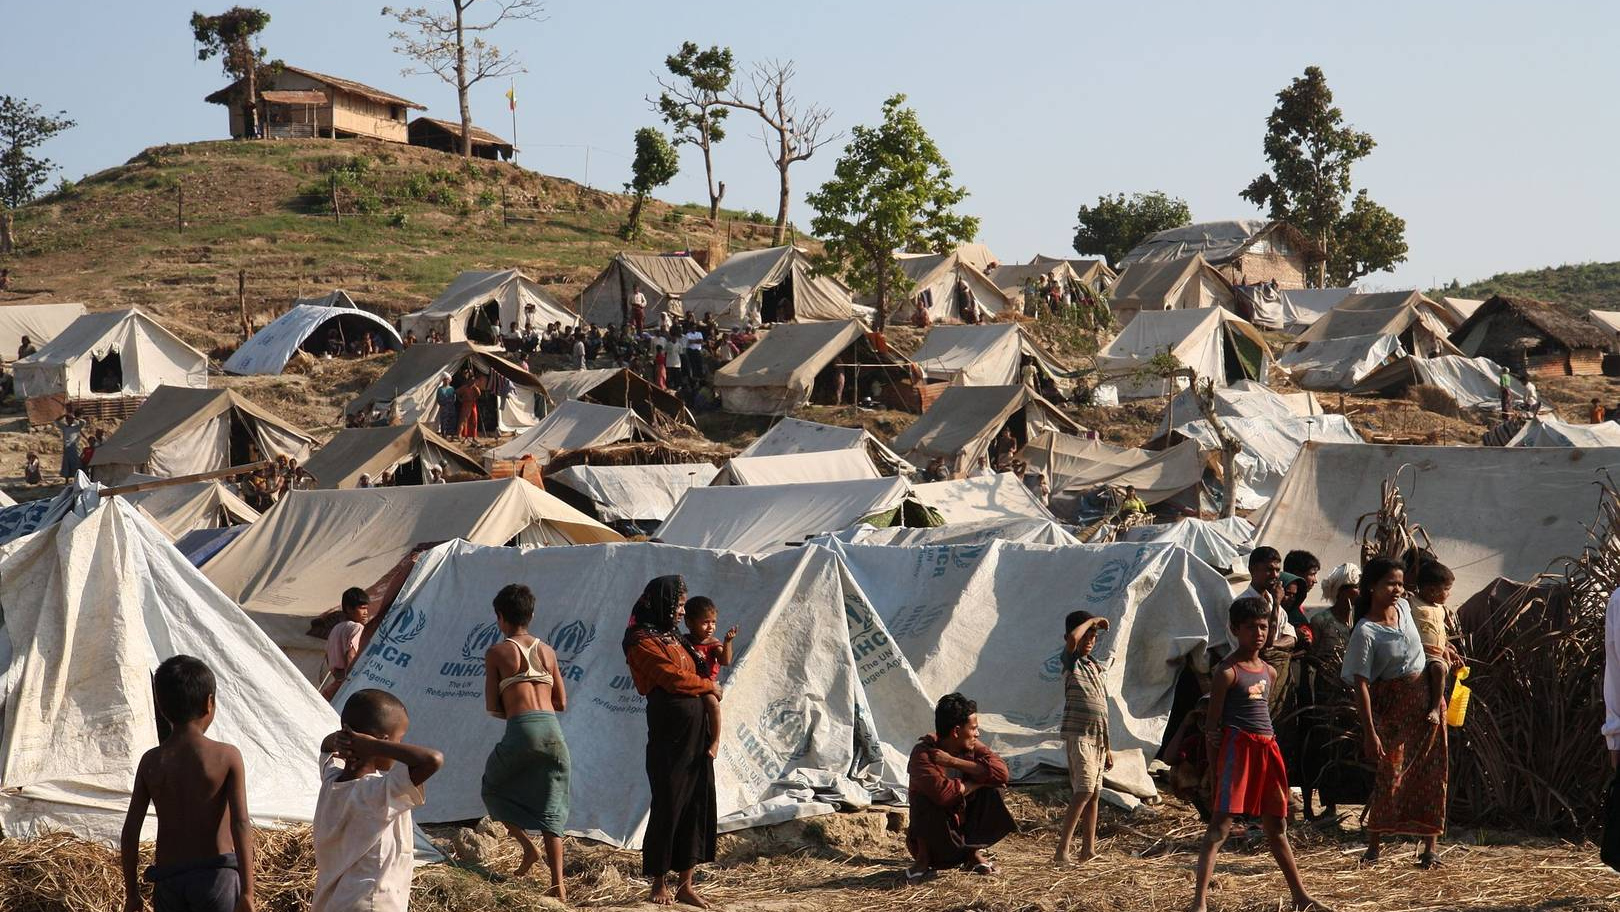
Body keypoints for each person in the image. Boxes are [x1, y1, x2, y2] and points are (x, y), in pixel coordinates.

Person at [1187, 597, 1327, 912]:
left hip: (1268, 748)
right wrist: (1215, 770)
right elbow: (1212, 728)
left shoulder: (1268, 672)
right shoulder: (1227, 672)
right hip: (1238, 749)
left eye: (1264, 626)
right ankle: (1199, 902)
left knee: (1277, 826)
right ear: (1236, 630)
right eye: (1251, 627)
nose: (1259, 633)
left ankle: (1300, 897)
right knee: (1220, 825)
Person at [121, 656, 255, 912]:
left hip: (168, 880)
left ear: (160, 707)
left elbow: (130, 831)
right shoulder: (226, 756)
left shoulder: (152, 761)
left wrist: (132, 893)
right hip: (216, 877)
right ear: (209, 703)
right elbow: (240, 823)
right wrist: (248, 892)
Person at [1343, 557, 1446, 868]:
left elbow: (1421, 645)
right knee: (1390, 775)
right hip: (1394, 709)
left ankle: (1429, 849)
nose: (1398, 589)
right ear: (1372, 587)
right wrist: (1369, 731)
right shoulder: (1366, 631)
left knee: (1433, 771)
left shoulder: (1404, 610)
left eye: (1401, 583)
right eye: (1391, 583)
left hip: (1427, 704)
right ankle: (1374, 847)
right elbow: (1360, 684)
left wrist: (1442, 653)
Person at [623, 576, 718, 907]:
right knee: (669, 800)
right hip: (668, 732)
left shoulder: (675, 636)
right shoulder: (640, 640)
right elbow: (670, 677)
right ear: (661, 603)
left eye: (682, 606)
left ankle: (686, 883)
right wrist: (706, 686)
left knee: (696, 801)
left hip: (696, 731)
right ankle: (659, 881)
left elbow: (701, 666)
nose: (681, 612)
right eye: (677, 605)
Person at [314, 690, 443, 912]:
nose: (399, 746)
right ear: (382, 741)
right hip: (371, 904)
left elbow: (325, 748)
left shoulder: (331, 780)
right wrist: (372, 746)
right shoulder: (380, 792)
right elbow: (433, 760)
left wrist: (341, 738)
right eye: (399, 740)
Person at [482, 584, 571, 898]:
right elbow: (561, 702)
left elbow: (493, 706)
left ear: (500, 618)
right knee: (552, 809)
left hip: (522, 729)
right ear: (531, 615)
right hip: (553, 733)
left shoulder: (497, 652)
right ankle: (558, 886)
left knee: (491, 788)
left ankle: (528, 848)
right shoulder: (548, 651)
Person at [905, 692, 1014, 881]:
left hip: (963, 837)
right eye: (973, 729)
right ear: (956, 731)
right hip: (939, 841)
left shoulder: (971, 747)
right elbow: (943, 795)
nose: (977, 734)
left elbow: (1002, 773)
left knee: (993, 788)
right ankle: (923, 860)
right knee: (924, 798)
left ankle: (972, 854)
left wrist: (954, 762)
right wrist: (977, 781)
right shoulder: (923, 754)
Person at [1301, 563, 1361, 821]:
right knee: (1327, 746)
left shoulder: (1359, 622)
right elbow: (1312, 657)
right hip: (1328, 694)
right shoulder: (1321, 621)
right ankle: (1329, 805)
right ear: (1345, 591)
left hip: (1353, 694)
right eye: (1355, 588)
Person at [1054, 611, 1111, 868]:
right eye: (1085, 633)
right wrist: (1091, 621)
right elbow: (1074, 640)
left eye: (1094, 635)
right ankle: (1062, 849)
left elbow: (1102, 710)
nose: (1089, 638)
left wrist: (1107, 747)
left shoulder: (1094, 666)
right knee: (1084, 790)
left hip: (1096, 739)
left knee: (1095, 793)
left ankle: (1088, 849)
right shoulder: (1071, 662)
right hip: (1079, 736)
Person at [1229, 547, 1297, 710]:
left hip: (1277, 679)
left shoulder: (1274, 602)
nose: (1274, 575)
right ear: (1253, 570)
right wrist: (1277, 605)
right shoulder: (1242, 604)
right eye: (1269, 570)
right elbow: (1264, 643)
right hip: (1249, 678)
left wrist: (1273, 645)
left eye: (1277, 570)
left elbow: (1291, 638)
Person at [683, 596, 738, 760]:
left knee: (712, 703)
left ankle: (715, 741)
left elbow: (725, 661)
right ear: (689, 623)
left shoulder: (713, 643)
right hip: (688, 683)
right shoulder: (684, 641)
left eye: (713, 622)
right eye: (705, 622)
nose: (710, 627)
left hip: (707, 685)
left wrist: (727, 642)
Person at [1409, 561, 1456, 727]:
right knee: (1439, 669)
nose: (1449, 594)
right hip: (1421, 652)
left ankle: (1444, 704)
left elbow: (1440, 632)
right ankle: (1435, 708)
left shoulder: (1440, 609)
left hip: (1438, 652)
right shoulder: (1412, 603)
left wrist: (1447, 646)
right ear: (1432, 590)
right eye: (1447, 589)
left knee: (1450, 669)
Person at [323, 587, 370, 700]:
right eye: (362, 608)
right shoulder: (357, 627)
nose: (366, 612)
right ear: (349, 609)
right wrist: (353, 680)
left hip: (336, 681)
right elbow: (351, 655)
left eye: (366, 608)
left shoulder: (336, 629)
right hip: (347, 682)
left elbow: (328, 657)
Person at [55, 408, 85, 480]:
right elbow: (56, 421)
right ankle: (66, 479)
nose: (69, 420)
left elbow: (83, 422)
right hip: (66, 447)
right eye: (68, 419)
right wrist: (64, 415)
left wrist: (75, 418)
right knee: (66, 463)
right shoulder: (64, 427)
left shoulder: (76, 426)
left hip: (74, 447)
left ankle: (77, 478)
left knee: (76, 462)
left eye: (70, 419)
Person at [456, 373, 482, 442]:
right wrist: (460, 399)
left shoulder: (475, 388)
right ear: (468, 380)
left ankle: (474, 437)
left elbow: (479, 394)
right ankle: (460, 435)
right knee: (463, 420)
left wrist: (475, 388)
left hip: (473, 404)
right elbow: (457, 392)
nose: (472, 382)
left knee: (474, 420)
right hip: (466, 404)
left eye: (474, 380)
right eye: (471, 380)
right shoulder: (464, 387)